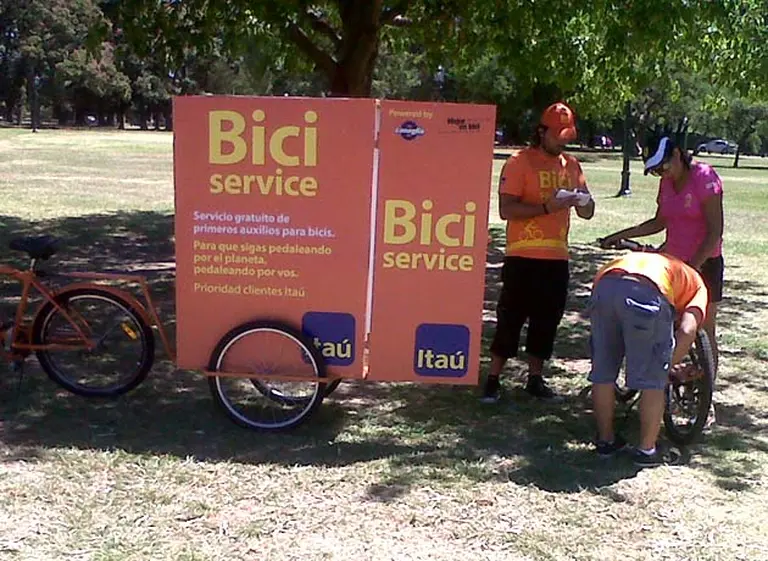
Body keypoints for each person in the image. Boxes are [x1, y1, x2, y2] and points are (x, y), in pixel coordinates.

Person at [601, 133, 724, 423]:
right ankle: (662, 381)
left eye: (663, 166)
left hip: (704, 263)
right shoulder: (666, 184)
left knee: (702, 330)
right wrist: (620, 235)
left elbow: (714, 231)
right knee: (666, 326)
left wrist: (693, 268)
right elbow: (659, 222)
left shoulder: (705, 177)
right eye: (655, 169)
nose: (660, 172)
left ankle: (705, 400)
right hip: (671, 264)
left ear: (679, 154)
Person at [481, 101, 595, 403]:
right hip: (522, 256)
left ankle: (535, 378)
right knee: (510, 318)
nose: (563, 140)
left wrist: (583, 202)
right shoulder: (520, 161)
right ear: (541, 131)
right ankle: (493, 378)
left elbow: (588, 212)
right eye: (558, 134)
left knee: (547, 321)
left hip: (557, 258)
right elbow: (506, 209)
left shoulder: (571, 165)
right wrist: (547, 207)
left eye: (566, 134)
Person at [588, 250, 708, 466]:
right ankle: (646, 451)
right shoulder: (698, 286)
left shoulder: (662, 262)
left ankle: (605, 441)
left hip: (605, 283)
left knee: (603, 371)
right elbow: (688, 329)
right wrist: (666, 367)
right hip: (647, 291)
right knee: (653, 379)